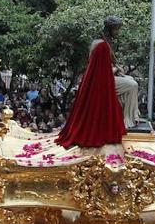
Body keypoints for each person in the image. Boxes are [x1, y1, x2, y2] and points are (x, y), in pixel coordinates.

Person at [55, 16, 136, 149]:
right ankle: (129, 120)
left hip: (104, 78)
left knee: (131, 81)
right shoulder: (102, 45)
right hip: (102, 82)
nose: (118, 32)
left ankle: (131, 117)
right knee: (133, 85)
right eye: (117, 29)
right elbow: (103, 70)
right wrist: (117, 69)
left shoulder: (103, 42)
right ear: (111, 28)